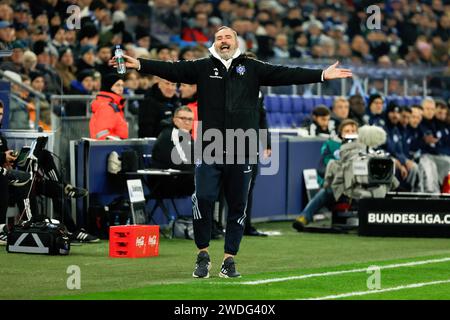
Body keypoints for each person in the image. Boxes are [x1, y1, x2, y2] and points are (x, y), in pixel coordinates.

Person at [110, 26, 352, 278]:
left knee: (238, 205)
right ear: (214, 43)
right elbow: (171, 68)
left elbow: (287, 74)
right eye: (218, 37)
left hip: (243, 149)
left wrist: (322, 74)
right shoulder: (203, 67)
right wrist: (139, 63)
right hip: (209, 149)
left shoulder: (252, 68)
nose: (223, 40)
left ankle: (229, 259)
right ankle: (202, 254)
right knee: (203, 200)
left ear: (237, 42)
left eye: (228, 37)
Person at [293, 119, 359, 231]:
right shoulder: (332, 145)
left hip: (357, 185)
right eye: (347, 130)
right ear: (341, 132)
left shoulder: (362, 146)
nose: (350, 133)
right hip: (336, 184)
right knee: (327, 190)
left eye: (353, 130)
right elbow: (323, 168)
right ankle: (304, 217)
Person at [89, 73, 128, 140]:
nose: (121, 88)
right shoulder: (106, 106)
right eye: (117, 85)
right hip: (111, 148)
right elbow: (102, 134)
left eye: (122, 85)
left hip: (114, 146)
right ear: (108, 86)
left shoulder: (113, 105)